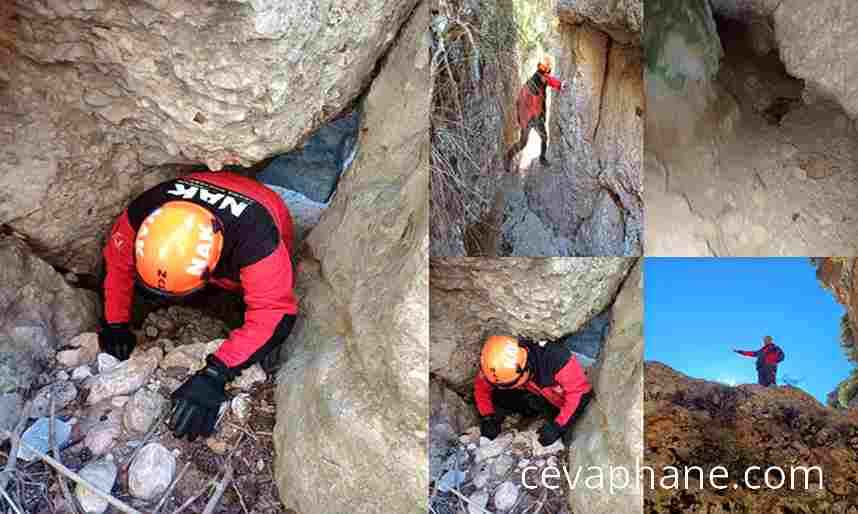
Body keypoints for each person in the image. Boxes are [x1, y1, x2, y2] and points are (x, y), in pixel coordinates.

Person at [99, 171, 298, 442]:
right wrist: (116, 322)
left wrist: (216, 373)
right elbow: (118, 265)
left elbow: (275, 313)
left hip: (263, 204)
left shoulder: (259, 240)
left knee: (260, 291)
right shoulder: (142, 211)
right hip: (202, 193)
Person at [474, 335, 592, 446]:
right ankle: (534, 406)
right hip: (539, 393)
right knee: (499, 397)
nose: (506, 387)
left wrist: (558, 426)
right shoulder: (497, 366)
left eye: (510, 384)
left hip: (561, 397)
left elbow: (580, 393)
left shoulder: (556, 360)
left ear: (525, 370)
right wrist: (487, 416)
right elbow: (482, 387)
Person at [505, 55, 567, 171]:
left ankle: (512, 157)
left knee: (527, 141)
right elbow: (549, 80)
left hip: (529, 118)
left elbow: (518, 102)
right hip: (533, 118)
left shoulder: (531, 81)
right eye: (547, 69)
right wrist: (560, 85)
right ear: (546, 69)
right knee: (539, 139)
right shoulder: (540, 78)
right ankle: (538, 158)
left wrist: (520, 119)